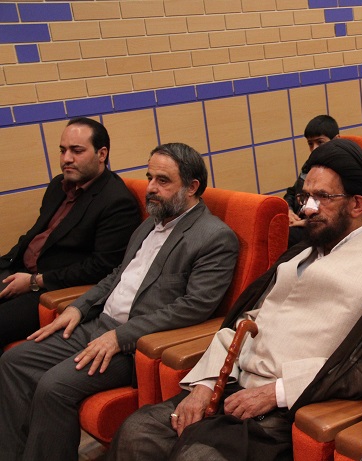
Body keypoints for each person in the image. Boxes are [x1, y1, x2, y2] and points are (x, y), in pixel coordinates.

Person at [107, 139, 362, 461]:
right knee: (138, 431)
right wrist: (205, 385)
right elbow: (246, 322)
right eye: (305, 197)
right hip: (230, 385)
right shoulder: (299, 253)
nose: (306, 209)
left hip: (286, 409)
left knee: (199, 457)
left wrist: (277, 392)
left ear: (356, 205)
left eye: (322, 197)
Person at [0, 143, 239, 461]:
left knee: (53, 386)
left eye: (163, 181)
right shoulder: (150, 222)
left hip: (133, 345)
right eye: (150, 178)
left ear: (192, 186)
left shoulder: (214, 237)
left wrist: (120, 337)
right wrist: (79, 306)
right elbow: (117, 275)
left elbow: (195, 306)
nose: (151, 188)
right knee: (13, 362)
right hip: (97, 325)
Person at [0, 117, 140, 350]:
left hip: (51, 290)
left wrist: (35, 282)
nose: (66, 159)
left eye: (77, 151)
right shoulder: (59, 185)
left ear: (102, 154)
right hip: (18, 271)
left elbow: (102, 267)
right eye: (63, 150)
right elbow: (35, 235)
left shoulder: (116, 201)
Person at [284, 115, 340, 246]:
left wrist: (305, 223)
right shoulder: (310, 165)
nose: (314, 148)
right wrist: (288, 211)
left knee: (284, 236)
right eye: (310, 144)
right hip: (300, 223)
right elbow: (292, 193)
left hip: (321, 228)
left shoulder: (342, 169)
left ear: (336, 140)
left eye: (320, 142)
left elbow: (338, 212)